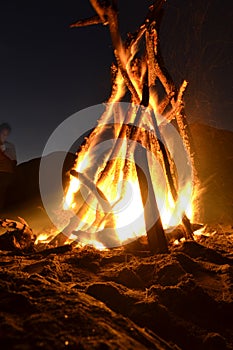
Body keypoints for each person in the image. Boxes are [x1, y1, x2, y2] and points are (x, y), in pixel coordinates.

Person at [0, 123, 17, 211]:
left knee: (2, 192)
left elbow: (14, 161)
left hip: (6, 173)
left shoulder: (10, 146)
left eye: (6, 135)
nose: (4, 136)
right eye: (2, 133)